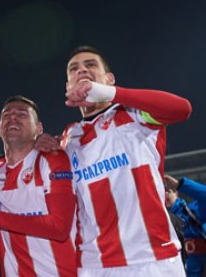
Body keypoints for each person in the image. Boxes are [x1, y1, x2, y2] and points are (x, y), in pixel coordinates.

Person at [42, 45, 192, 276]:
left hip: (152, 260)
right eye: (74, 69)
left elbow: (182, 109)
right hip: (93, 265)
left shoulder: (134, 115)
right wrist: (38, 144)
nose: (82, 70)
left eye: (91, 65)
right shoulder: (68, 139)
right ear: (68, 86)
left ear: (109, 79)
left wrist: (111, 94)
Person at [0, 96, 76, 277]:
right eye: (6, 115)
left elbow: (60, 228)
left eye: (22, 114)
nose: (13, 118)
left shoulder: (53, 159)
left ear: (38, 128)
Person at [165, 175, 206, 277]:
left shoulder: (191, 211)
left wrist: (181, 185)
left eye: (167, 191)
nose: (165, 196)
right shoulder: (154, 222)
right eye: (161, 193)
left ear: (176, 192)